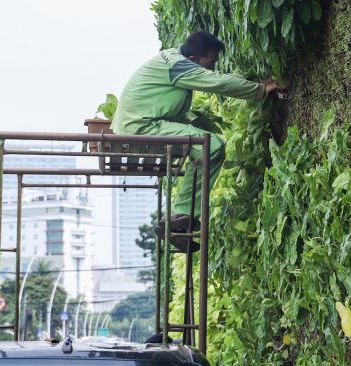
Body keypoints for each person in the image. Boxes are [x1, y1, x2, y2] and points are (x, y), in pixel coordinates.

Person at [111, 31, 279, 248]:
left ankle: (180, 219)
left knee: (204, 147)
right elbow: (216, 82)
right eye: (209, 63)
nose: (211, 68)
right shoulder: (178, 66)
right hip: (141, 127)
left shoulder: (173, 59)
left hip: (140, 124)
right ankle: (180, 216)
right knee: (212, 147)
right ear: (193, 60)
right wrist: (261, 88)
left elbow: (214, 79)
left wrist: (255, 83)